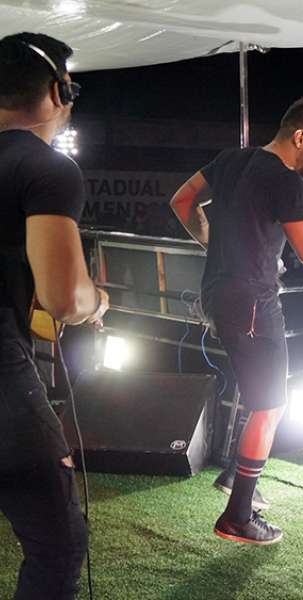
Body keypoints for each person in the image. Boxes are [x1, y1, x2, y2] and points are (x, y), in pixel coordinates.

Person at [170, 95, 303, 545]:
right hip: (252, 302)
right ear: (300, 137)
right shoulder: (285, 180)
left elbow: (183, 201)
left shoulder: (231, 159)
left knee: (260, 393)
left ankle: (237, 473)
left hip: (219, 293)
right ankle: (237, 516)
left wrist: (213, 243)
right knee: (270, 405)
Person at [0, 32, 109, 599]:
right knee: (59, 544)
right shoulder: (46, 169)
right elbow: (64, 298)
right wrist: (96, 300)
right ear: (57, 91)